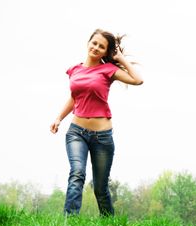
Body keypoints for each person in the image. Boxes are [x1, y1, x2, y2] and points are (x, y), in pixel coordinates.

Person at [50, 29, 143, 216]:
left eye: (102, 47)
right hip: (76, 132)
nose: (96, 48)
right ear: (88, 43)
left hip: (102, 137)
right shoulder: (74, 70)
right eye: (94, 43)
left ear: (105, 52)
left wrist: (121, 59)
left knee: (100, 188)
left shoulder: (108, 70)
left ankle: (110, 225)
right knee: (77, 173)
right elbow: (75, 98)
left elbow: (138, 80)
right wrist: (59, 118)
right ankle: (70, 222)